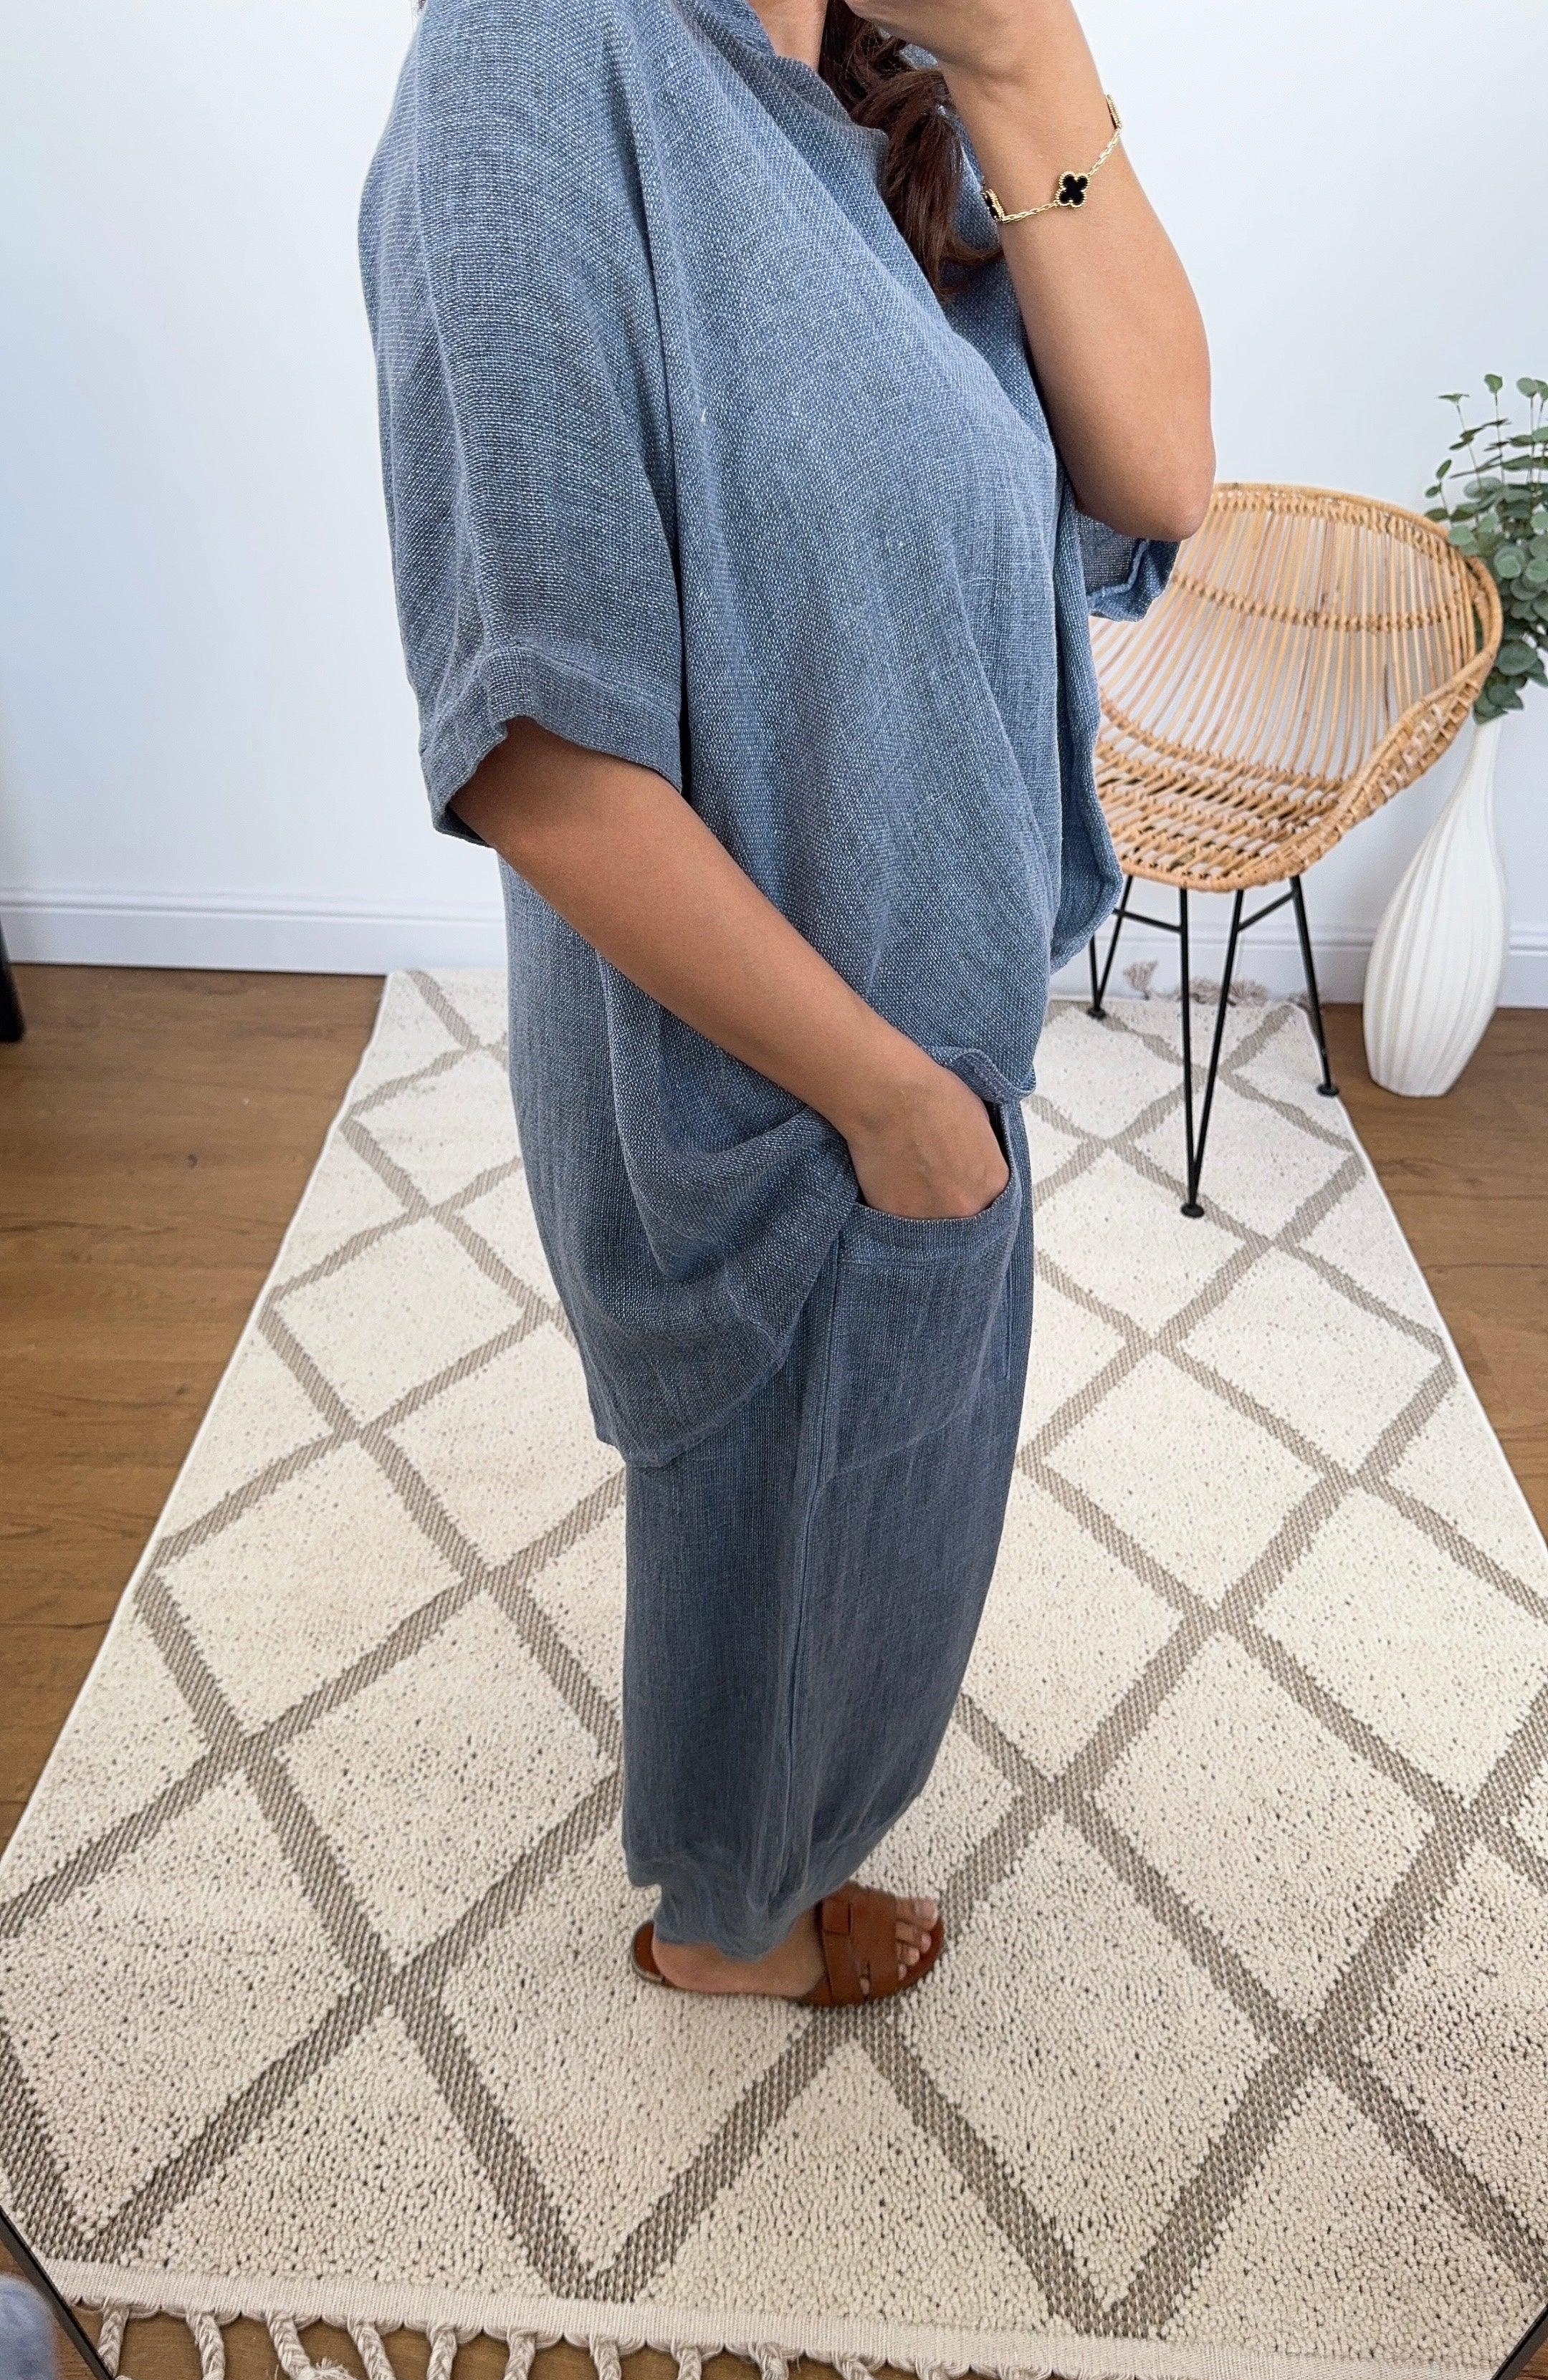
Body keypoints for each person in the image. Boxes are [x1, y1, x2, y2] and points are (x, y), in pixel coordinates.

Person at [360, 0, 1212, 2008]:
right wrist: (891, 1104)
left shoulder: (904, 89)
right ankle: (727, 1930)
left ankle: (778, 1857)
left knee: (880, 1511)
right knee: (759, 1525)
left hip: (932, 1024)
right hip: (763, 1056)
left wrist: (1022, 58)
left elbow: (1158, 471)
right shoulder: (530, 59)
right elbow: (537, 753)